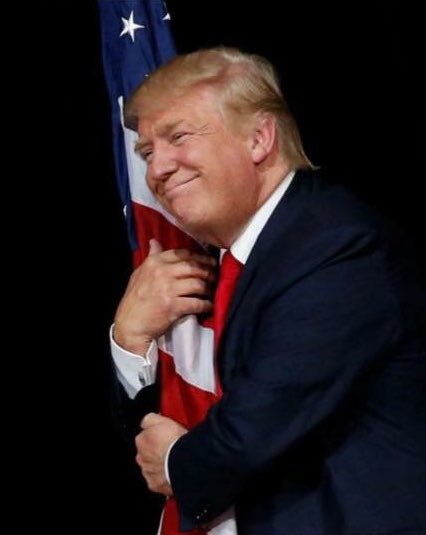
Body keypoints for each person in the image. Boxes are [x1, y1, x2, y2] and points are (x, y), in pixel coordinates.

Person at [111, 47, 426, 535]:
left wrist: (174, 462)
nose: (158, 169)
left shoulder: (336, 245)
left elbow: (252, 430)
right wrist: (129, 340)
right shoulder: (228, 261)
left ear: (259, 139)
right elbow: (158, 432)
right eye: (148, 153)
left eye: (178, 137)